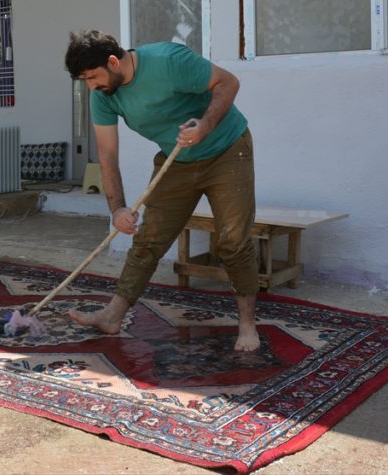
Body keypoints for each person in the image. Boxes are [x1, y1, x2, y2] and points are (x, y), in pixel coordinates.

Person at [64, 30, 260, 352]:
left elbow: (229, 82)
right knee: (148, 240)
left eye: (92, 77)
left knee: (232, 242)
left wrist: (206, 125)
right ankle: (113, 315)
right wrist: (117, 209)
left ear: (113, 61)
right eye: (84, 80)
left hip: (227, 150)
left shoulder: (169, 60)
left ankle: (247, 325)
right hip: (177, 160)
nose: (91, 86)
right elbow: (108, 154)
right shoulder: (103, 95)